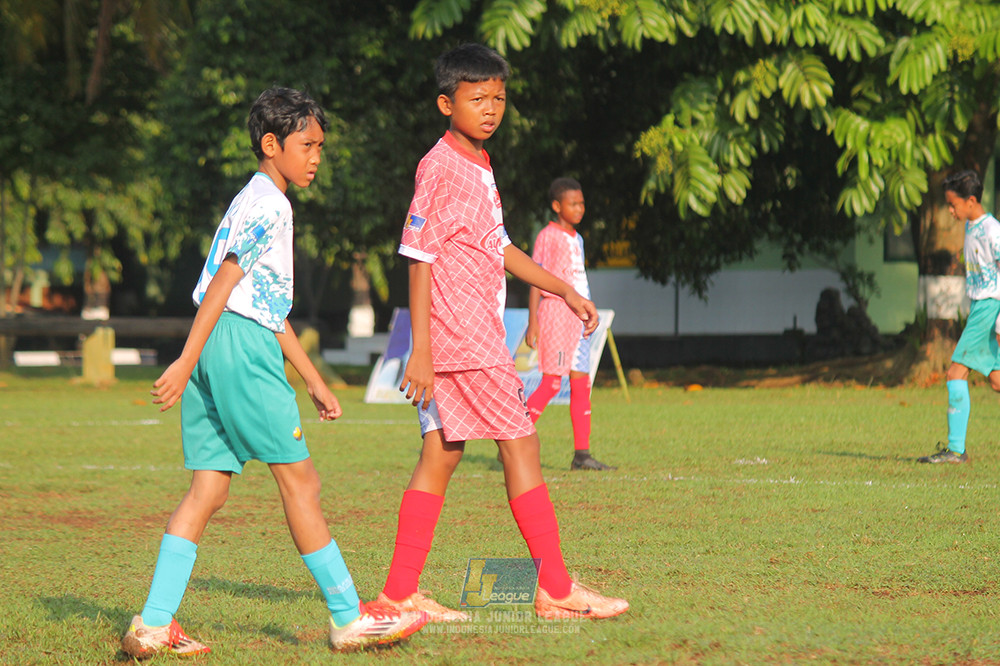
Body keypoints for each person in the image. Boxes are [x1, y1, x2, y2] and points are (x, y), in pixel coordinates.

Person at [120, 87, 427, 658]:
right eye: (307, 145)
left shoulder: (251, 199)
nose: (316, 157)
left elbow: (266, 304)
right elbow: (228, 283)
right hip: (236, 348)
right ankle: (347, 617)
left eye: (319, 147)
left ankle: (154, 623)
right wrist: (184, 361)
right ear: (271, 144)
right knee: (301, 482)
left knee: (207, 490)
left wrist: (311, 378)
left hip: (220, 342)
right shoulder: (272, 205)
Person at [368, 44, 629, 623]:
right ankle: (556, 588)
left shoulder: (480, 164)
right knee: (522, 444)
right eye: (476, 97)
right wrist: (420, 350)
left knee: (441, 452)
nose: (490, 108)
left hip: (467, 334)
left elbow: (500, 248)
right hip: (464, 337)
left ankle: (398, 594)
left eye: (498, 98)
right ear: (446, 103)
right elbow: (417, 257)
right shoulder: (438, 166)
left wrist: (564, 289)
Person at [524, 177, 616, 471]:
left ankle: (582, 455)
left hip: (579, 319)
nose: (579, 208)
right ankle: (512, 439)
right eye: (572, 203)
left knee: (581, 385)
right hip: (556, 313)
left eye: (582, 203)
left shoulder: (578, 239)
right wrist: (533, 321)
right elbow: (535, 278)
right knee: (552, 382)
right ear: (556, 206)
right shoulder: (547, 237)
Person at [918, 169, 1000, 464]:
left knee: (956, 372)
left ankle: (955, 450)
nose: (950, 211)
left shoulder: (992, 230)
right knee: (996, 380)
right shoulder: (971, 226)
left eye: (953, 205)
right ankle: (955, 449)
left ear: (971, 200)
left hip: (991, 307)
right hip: (981, 307)